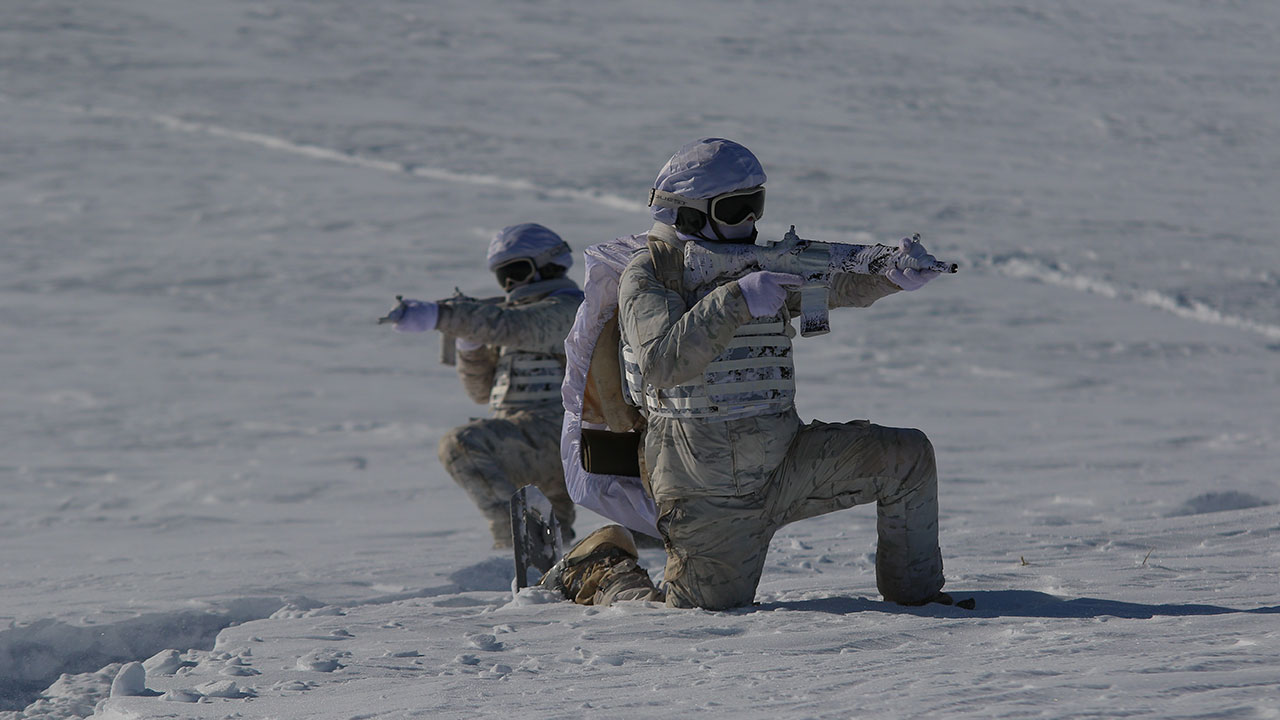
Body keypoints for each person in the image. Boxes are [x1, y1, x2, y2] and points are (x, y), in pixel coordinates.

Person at [607, 137, 953, 610]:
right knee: (691, 615)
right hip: (708, 492)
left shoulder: (758, 268)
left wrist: (890, 276)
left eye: (756, 205)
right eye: (736, 209)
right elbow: (660, 364)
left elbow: (830, 285)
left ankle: (919, 600)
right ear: (689, 214)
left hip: (787, 462)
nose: (750, 221)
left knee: (907, 457)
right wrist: (736, 300)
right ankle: (605, 567)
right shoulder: (650, 273)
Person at [383, 223, 583, 548]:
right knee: (553, 542)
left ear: (550, 263)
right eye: (503, 277)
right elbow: (480, 393)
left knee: (460, 445)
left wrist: (443, 316)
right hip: (523, 438)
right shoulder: (507, 322)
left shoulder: (571, 309)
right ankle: (543, 563)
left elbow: (521, 326)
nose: (510, 284)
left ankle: (514, 539)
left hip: (563, 434)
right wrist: (470, 347)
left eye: (518, 271)